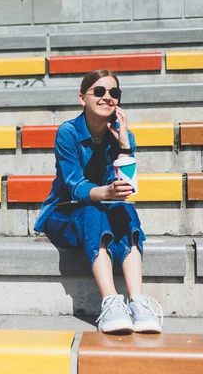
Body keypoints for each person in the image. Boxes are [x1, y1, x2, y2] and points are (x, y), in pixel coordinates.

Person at [34, 69, 163, 334]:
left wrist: (125, 145)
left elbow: (127, 187)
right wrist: (106, 193)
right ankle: (111, 303)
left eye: (114, 93)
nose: (107, 97)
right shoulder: (68, 132)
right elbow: (75, 187)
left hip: (104, 211)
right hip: (63, 213)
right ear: (83, 98)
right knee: (93, 212)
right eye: (99, 91)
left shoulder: (123, 135)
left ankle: (137, 301)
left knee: (125, 212)